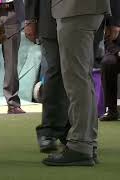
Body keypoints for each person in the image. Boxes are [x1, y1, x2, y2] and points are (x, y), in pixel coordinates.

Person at [42, 0, 110, 166]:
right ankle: (87, 143)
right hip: (85, 10)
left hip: (75, 9)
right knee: (83, 79)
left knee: (76, 81)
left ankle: (80, 145)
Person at [24, 0, 69, 153]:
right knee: (54, 71)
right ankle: (49, 131)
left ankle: (75, 131)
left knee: (79, 74)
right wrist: (30, 19)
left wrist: (114, 19)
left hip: (89, 16)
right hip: (50, 17)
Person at [100, 1, 120, 121]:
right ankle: (111, 110)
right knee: (108, 63)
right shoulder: (115, 7)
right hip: (117, 52)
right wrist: (117, 51)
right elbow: (108, 39)